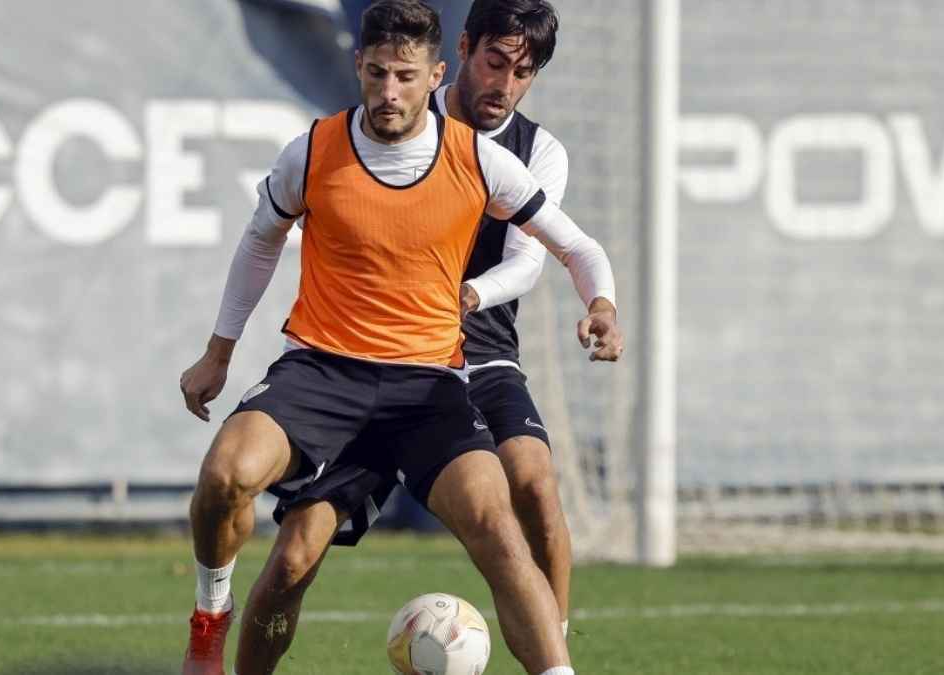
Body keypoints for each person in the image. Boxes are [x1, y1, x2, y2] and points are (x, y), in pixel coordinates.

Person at [179, 2, 621, 674]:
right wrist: (219, 352)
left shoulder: (481, 159)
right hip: (323, 374)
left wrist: (603, 304)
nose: (390, 91)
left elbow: (574, 246)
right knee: (243, 498)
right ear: (358, 66)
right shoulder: (315, 150)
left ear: (434, 76)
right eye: (379, 73)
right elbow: (259, 239)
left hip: (429, 387)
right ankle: (210, 619)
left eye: (406, 77)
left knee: (501, 521)